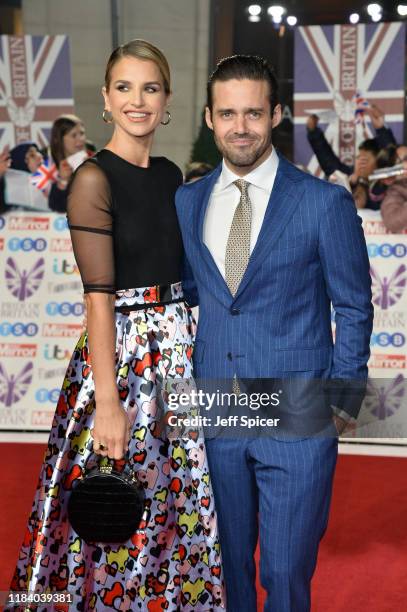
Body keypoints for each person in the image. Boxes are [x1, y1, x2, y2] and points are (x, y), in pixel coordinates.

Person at [7, 39, 224, 611]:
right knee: (112, 511)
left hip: (178, 353)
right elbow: (98, 299)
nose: (137, 100)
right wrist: (107, 402)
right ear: (106, 99)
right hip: (124, 363)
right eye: (124, 88)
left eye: (150, 88)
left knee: (176, 501)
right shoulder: (91, 180)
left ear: (167, 99)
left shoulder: (171, 174)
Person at [175, 55, 373, 612]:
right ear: (211, 118)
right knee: (225, 566)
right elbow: (194, 294)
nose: (241, 127)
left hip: (298, 411)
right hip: (217, 409)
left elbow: (354, 304)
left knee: (285, 573)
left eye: (254, 113)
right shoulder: (188, 202)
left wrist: (343, 396)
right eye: (229, 113)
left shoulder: (321, 202)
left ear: (277, 115)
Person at [48, 114, 89, 212]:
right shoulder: (49, 167)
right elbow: (56, 207)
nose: (80, 139)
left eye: (82, 133)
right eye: (74, 135)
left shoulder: (96, 161)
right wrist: (63, 181)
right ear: (58, 139)